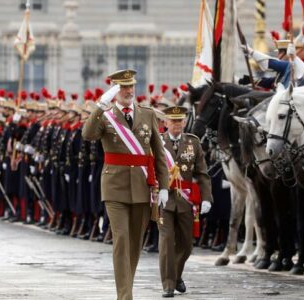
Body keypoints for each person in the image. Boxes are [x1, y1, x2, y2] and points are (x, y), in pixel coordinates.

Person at [82, 69, 169, 300]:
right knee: (121, 238)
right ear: (114, 90)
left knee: (134, 243)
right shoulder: (106, 115)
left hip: (142, 186)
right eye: (123, 87)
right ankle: (125, 296)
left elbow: (159, 154)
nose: (129, 91)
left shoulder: (148, 114)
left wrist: (164, 186)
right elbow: (88, 134)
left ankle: (125, 288)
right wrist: (100, 105)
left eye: (131, 86)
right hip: (115, 187)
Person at [157, 106, 212, 298]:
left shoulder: (193, 142)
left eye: (180, 121)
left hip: (186, 200)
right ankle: (168, 284)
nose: (177, 124)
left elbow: (202, 173)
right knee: (166, 241)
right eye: (173, 121)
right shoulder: (157, 142)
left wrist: (206, 198)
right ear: (165, 123)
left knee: (186, 245)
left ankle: (177, 274)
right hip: (163, 199)